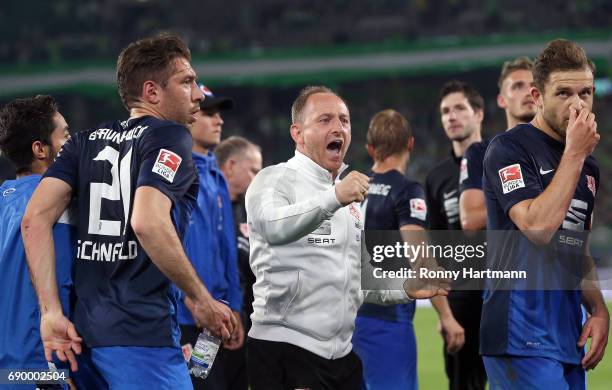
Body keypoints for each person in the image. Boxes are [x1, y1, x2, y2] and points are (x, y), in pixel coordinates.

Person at [21, 34, 235, 389]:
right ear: (152, 92)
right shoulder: (169, 136)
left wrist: (51, 313)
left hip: (83, 338)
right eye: (187, 82)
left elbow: (35, 218)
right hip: (142, 335)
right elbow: (148, 222)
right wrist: (201, 299)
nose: (197, 94)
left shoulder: (82, 141)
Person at [245, 85, 448, 390]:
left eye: (344, 120)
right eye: (324, 119)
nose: (338, 127)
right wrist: (334, 197)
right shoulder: (274, 179)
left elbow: (361, 278)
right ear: (297, 134)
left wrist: (406, 286)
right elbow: (273, 227)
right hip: (286, 350)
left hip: (341, 354)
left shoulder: (347, 199)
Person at [481, 39, 609, 389]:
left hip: (567, 336)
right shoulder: (508, 149)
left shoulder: (588, 167)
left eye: (585, 92)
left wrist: (598, 310)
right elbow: (538, 227)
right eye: (564, 93)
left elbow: (575, 250)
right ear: (537, 97)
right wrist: (574, 154)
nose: (578, 104)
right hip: (518, 336)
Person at [352, 109, 464, 390]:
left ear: (370, 148)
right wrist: (447, 317)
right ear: (411, 144)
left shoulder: (351, 190)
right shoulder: (405, 190)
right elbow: (421, 261)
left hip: (348, 318)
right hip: (388, 320)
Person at [0, 95, 72, 388]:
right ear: (40, 149)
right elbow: (66, 287)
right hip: (43, 368)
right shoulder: (59, 206)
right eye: (66, 135)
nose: (73, 144)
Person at [178, 84, 243, 390]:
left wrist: (235, 307)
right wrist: (193, 301)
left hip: (216, 319)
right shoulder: (173, 173)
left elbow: (227, 249)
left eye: (219, 114)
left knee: (216, 383)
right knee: (202, 384)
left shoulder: (216, 176)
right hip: (187, 318)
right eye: (209, 113)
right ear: (189, 116)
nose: (219, 121)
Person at [425, 81, 487, 390]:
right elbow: (435, 249)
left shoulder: (501, 160)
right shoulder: (436, 178)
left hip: (503, 291)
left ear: (479, 114)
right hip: (461, 299)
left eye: (459, 108)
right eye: (445, 111)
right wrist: (444, 312)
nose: (451, 116)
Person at [459, 57, 536, 231]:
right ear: (502, 100)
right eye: (517, 86)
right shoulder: (480, 152)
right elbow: (469, 221)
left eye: (533, 86)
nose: (527, 92)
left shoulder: (561, 150)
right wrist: (521, 204)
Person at [216, 135, 263, 390]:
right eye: (254, 170)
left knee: (237, 382)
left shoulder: (249, 211)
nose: (259, 178)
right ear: (231, 166)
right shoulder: (203, 203)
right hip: (206, 326)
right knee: (202, 379)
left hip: (242, 325)